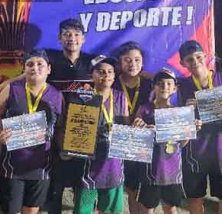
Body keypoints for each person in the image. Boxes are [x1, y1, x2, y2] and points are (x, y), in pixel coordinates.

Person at [0, 49, 63, 214]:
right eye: (30, 64)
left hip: (41, 166)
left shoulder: (57, 95)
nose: (35, 68)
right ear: (24, 69)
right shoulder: (12, 89)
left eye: (40, 64)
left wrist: (66, 147)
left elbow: (59, 127)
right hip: (12, 165)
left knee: (32, 210)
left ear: (49, 69)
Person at [177, 40, 222, 214]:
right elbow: (179, 122)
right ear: (182, 64)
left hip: (221, 149)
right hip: (195, 153)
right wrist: (187, 112)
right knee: (194, 197)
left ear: (205, 56)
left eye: (198, 57)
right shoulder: (182, 87)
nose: (195, 62)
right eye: (189, 59)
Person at [66, 55, 128, 214]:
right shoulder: (82, 97)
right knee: (83, 210)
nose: (106, 75)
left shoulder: (121, 97)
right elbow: (73, 129)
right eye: (100, 72)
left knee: (110, 210)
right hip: (88, 165)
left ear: (114, 76)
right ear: (91, 75)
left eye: (110, 71)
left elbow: (126, 127)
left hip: (113, 163)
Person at [133, 68, 200, 214]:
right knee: (147, 208)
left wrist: (190, 130)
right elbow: (135, 140)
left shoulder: (179, 112)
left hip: (172, 170)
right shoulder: (144, 109)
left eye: (169, 84)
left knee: (170, 207)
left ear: (175, 88)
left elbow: (182, 143)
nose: (164, 87)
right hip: (149, 171)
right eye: (160, 83)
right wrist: (141, 129)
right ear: (154, 87)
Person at [113, 41, 152, 214]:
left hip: (143, 140)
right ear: (120, 62)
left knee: (144, 187)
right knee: (130, 187)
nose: (133, 64)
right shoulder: (111, 82)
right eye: (127, 60)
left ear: (143, 62)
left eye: (137, 60)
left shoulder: (151, 84)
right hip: (118, 140)